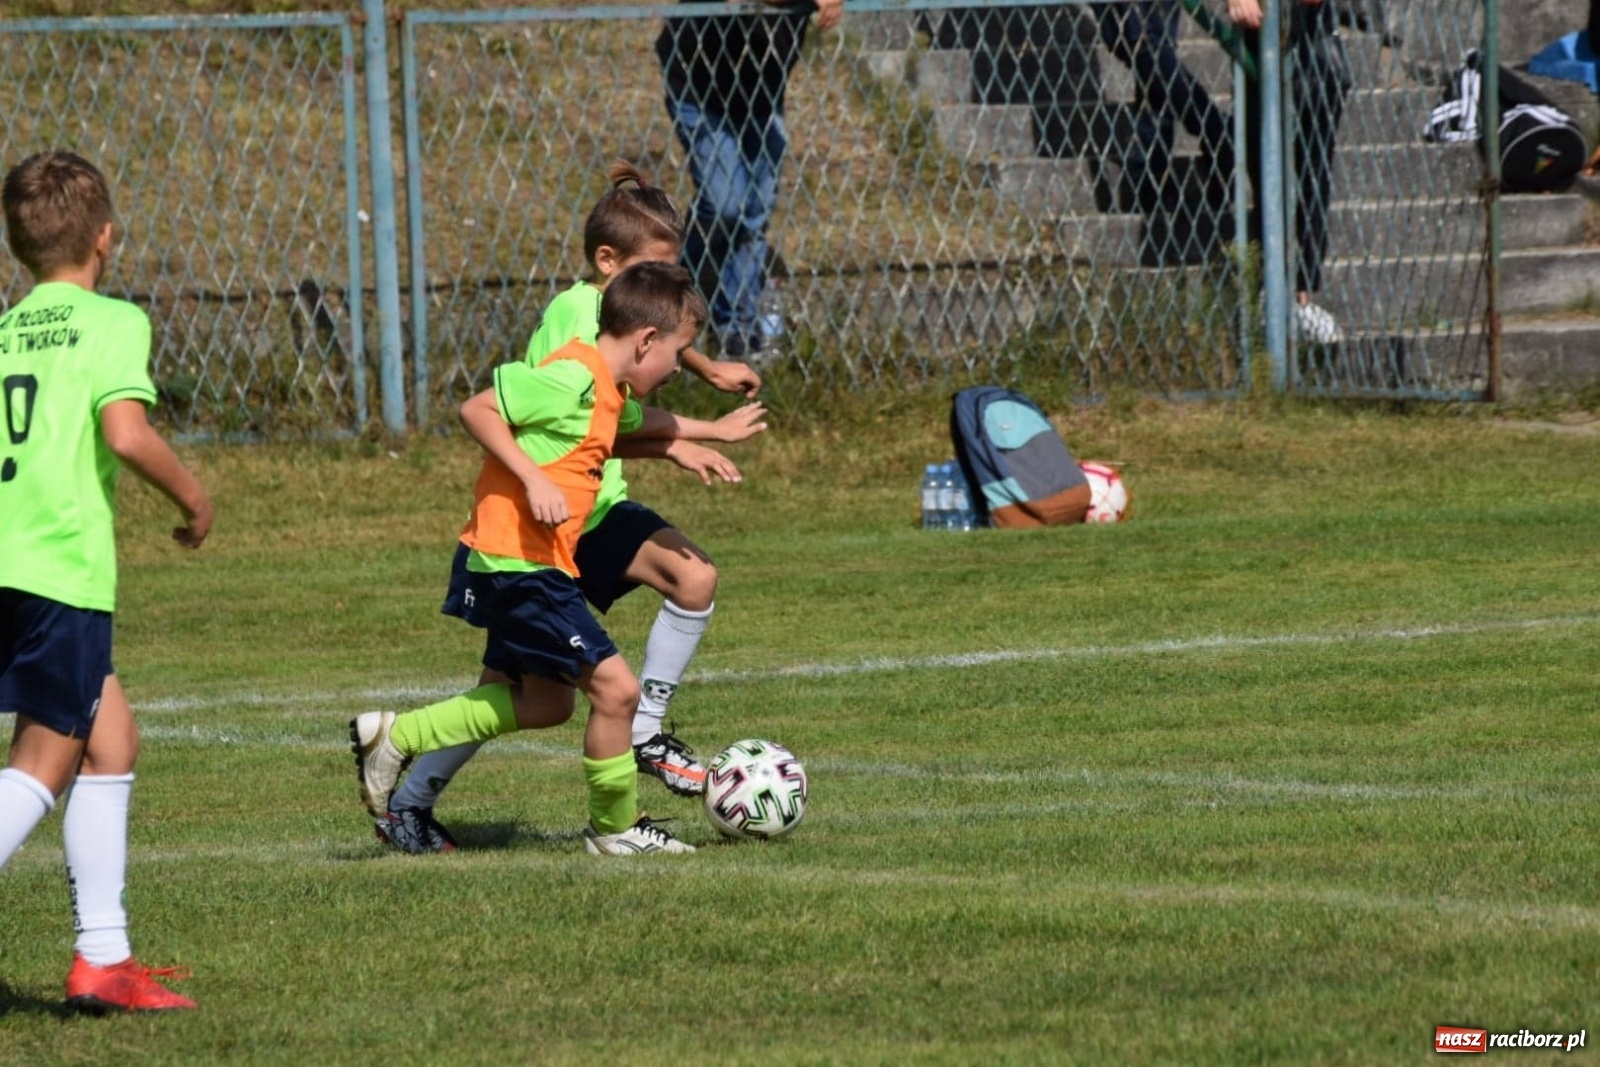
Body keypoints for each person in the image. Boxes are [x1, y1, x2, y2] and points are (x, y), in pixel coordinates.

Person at [375, 163, 767, 855]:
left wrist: (693, 409)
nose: (661, 284)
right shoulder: (576, 327)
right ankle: (409, 790)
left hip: (595, 509)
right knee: (524, 689)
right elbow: (545, 418)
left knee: (688, 582)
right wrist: (686, 434)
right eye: (653, 270)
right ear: (610, 266)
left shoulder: (627, 330)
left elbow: (620, 407)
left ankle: (639, 731)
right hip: (554, 529)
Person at [0, 149, 214, 1012]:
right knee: (44, 763)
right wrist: (195, 497)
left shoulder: (7, 331)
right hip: (59, 570)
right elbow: (125, 432)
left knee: (110, 741)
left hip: (9, 560)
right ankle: (100, 961)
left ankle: (104, 957)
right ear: (106, 238)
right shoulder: (111, 321)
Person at [655, 0, 843, 357]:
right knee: (727, 205)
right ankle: (676, 270)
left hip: (762, 94)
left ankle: (735, 328)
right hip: (698, 86)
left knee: (755, 210)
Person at [1230, 0, 1350, 344]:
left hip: (1309, 31)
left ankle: (1297, 295)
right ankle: (1272, 291)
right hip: (1262, 26)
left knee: (1310, 169)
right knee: (1265, 160)